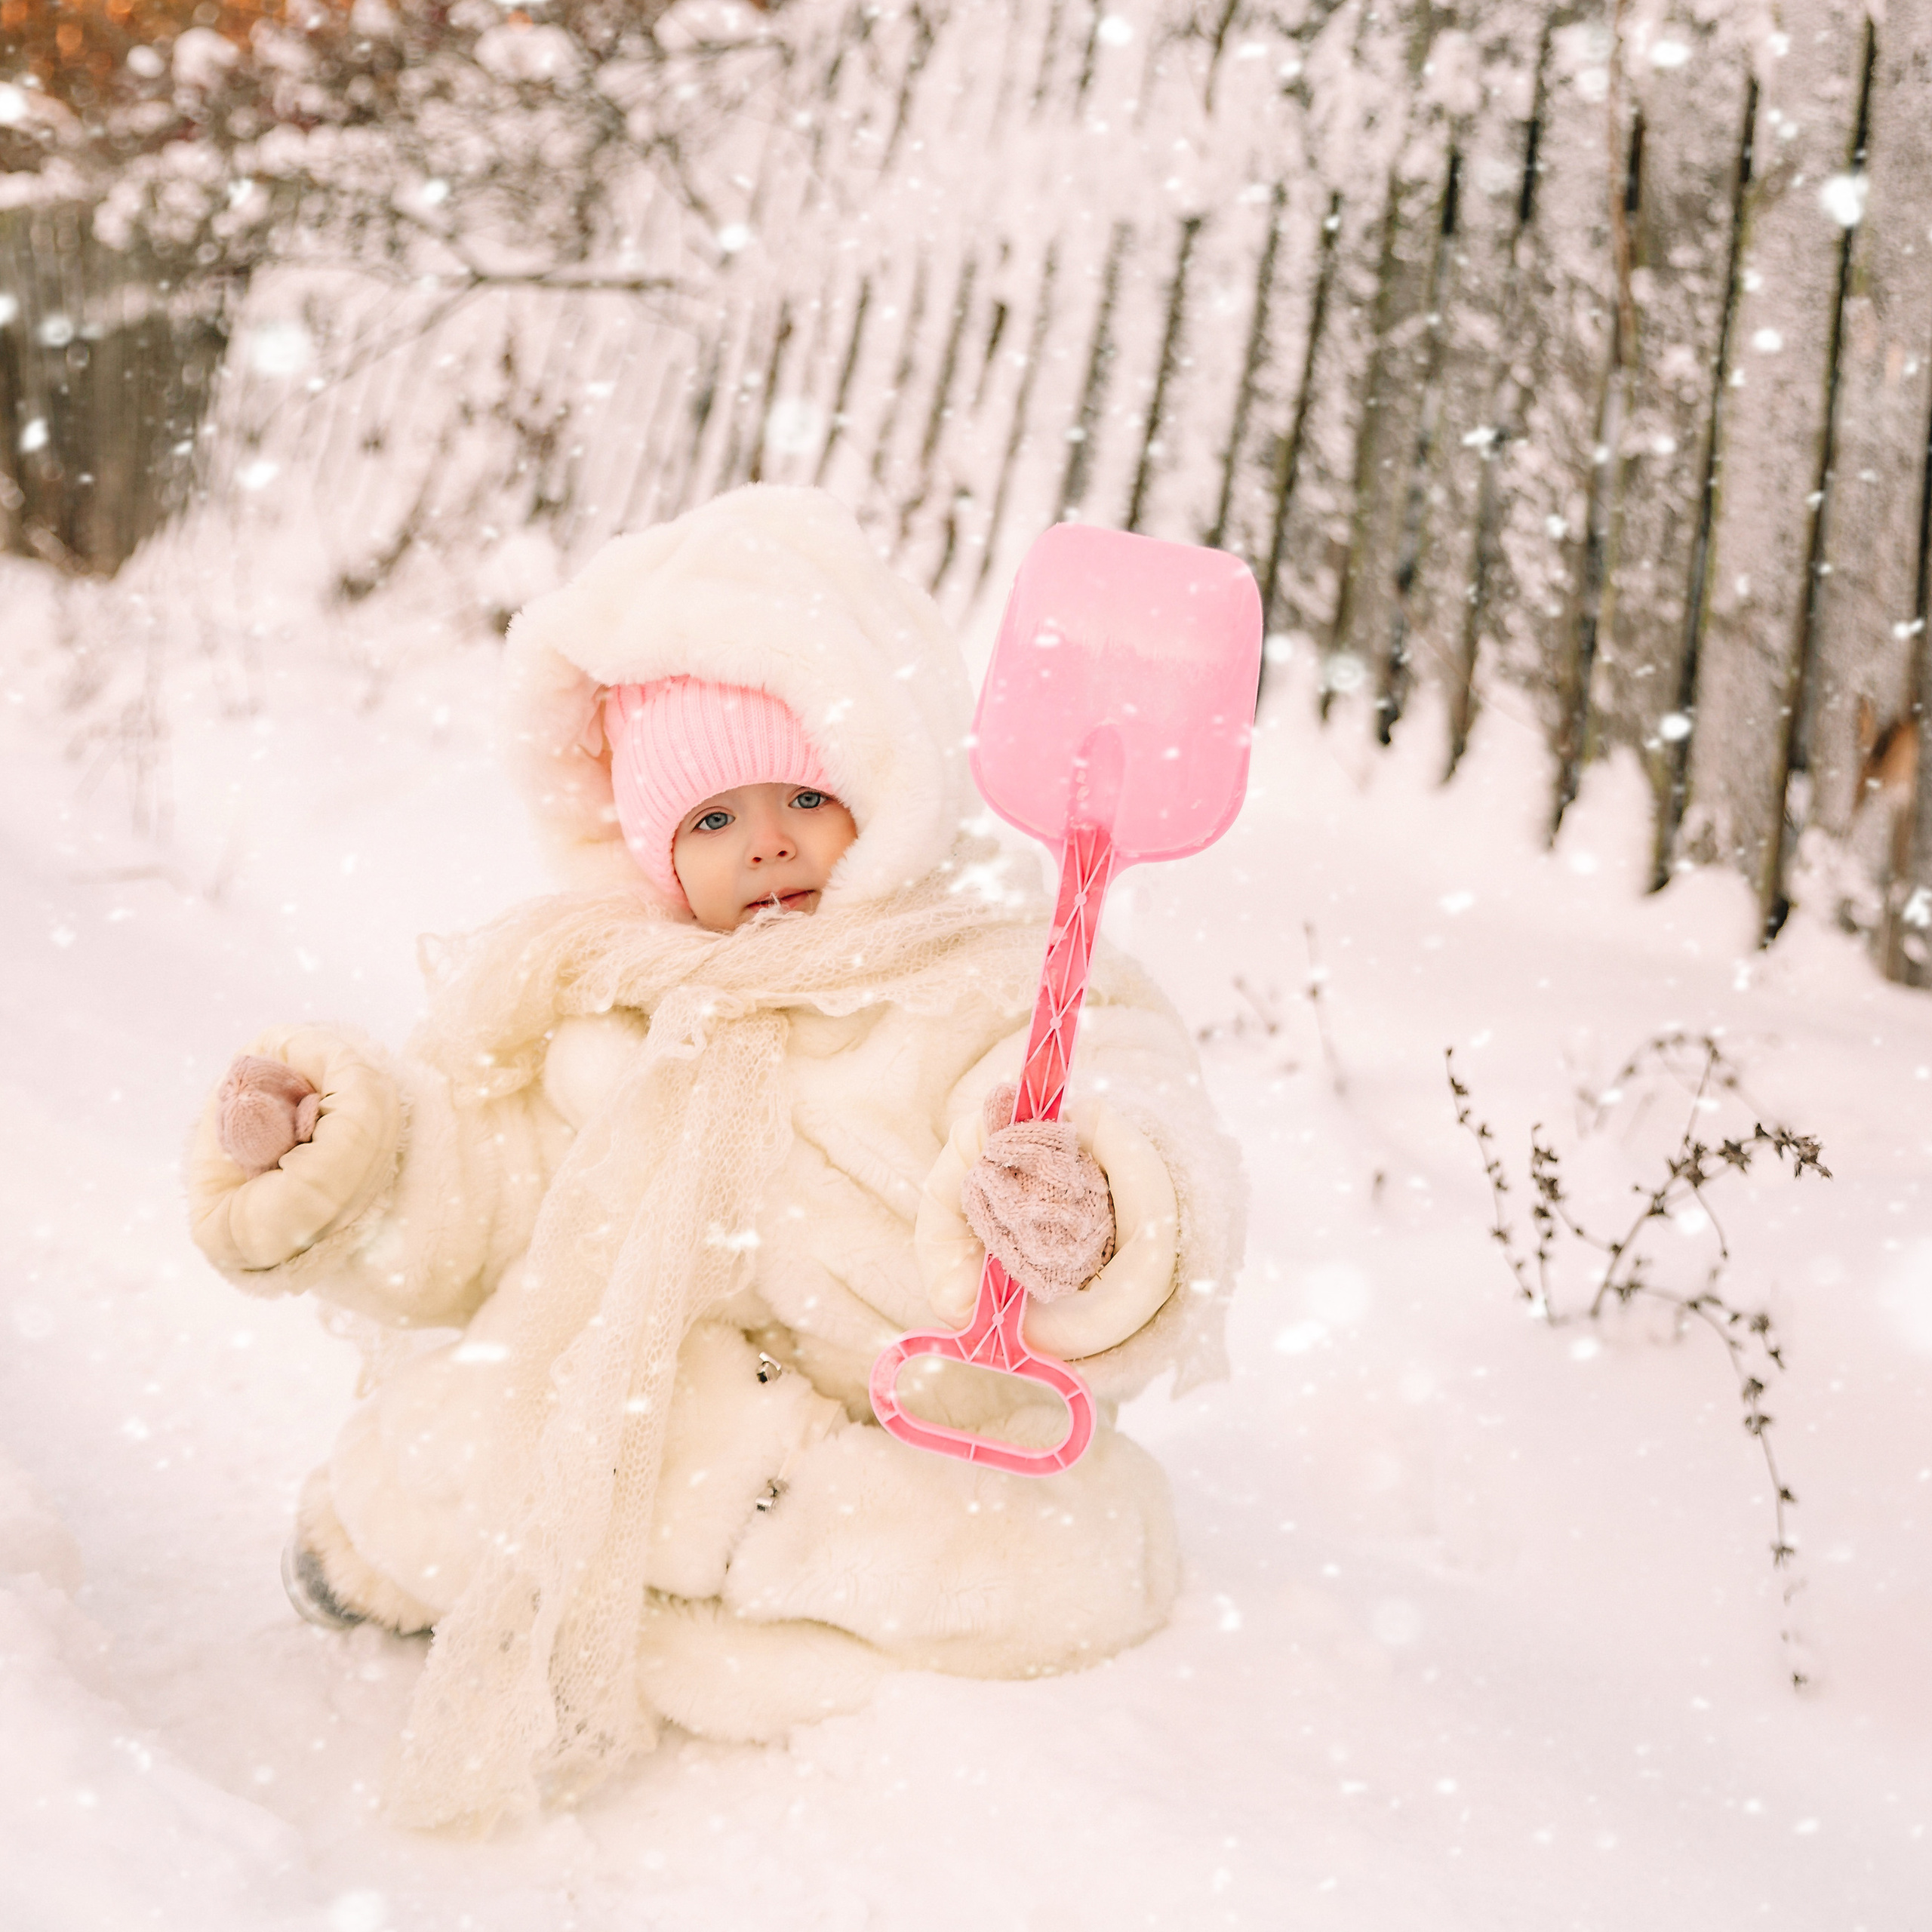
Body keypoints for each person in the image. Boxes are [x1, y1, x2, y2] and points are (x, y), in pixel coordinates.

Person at [184, 485, 1244, 1832]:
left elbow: (1130, 1093)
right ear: (646, 845)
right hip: (643, 1406)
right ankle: (585, 1572)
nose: (770, 844)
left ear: (891, 791)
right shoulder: (603, 1001)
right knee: (487, 1425)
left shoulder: (991, 981)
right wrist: (346, 1151)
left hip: (911, 1435)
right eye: (711, 820)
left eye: (808, 793)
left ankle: (642, 1586)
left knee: (1064, 1565)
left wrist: (1098, 1214)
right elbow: (488, 1198)